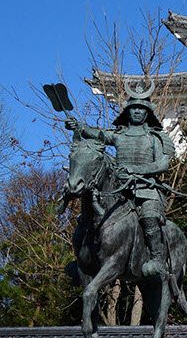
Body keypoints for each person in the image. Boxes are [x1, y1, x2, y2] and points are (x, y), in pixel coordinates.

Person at [65, 89, 175, 278]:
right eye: (134, 108)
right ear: (128, 112)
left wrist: (136, 170)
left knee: (149, 217)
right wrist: (78, 127)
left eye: (142, 109)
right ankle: (82, 259)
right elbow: (96, 134)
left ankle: (157, 259)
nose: (138, 112)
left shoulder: (156, 137)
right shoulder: (118, 135)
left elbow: (163, 164)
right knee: (87, 215)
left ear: (148, 113)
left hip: (146, 189)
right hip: (118, 188)